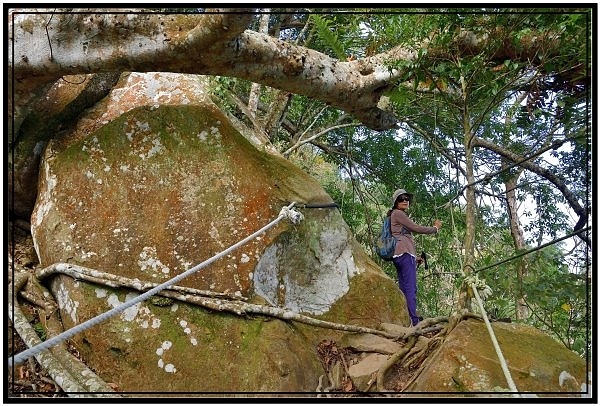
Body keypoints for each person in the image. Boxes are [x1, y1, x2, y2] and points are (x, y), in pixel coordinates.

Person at [389, 188, 441, 327]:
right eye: (401, 199)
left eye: (407, 198)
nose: (405, 201)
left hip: (401, 255)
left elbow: (404, 238)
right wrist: (434, 229)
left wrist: (415, 257)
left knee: (405, 289)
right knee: (411, 289)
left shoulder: (396, 215)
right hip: (404, 256)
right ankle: (415, 322)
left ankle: (407, 320)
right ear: (395, 202)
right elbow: (416, 228)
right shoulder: (398, 213)